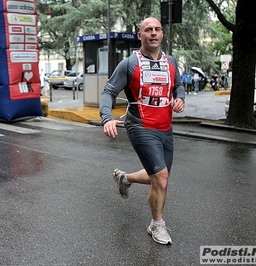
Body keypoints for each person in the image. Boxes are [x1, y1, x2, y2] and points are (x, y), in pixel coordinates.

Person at [99, 17, 185, 245]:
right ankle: (157, 225)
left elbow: (178, 87)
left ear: (162, 34)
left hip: (165, 128)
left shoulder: (171, 62)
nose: (154, 33)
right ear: (140, 35)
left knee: (159, 176)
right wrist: (107, 118)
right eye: (148, 30)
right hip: (140, 127)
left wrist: (180, 99)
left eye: (157, 29)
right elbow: (108, 92)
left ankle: (125, 178)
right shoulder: (130, 63)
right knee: (162, 178)